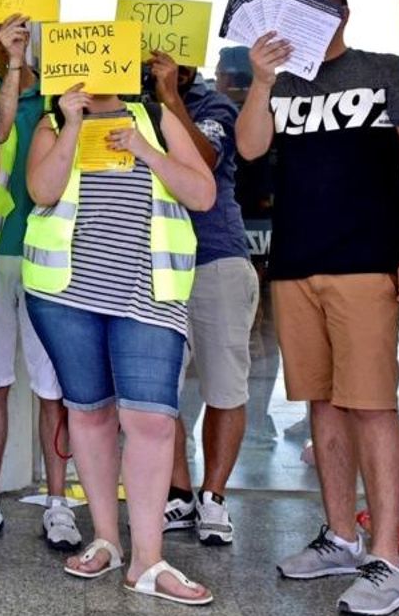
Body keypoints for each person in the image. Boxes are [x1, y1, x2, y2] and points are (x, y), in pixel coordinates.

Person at [238, 0, 399, 615]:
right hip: (296, 266)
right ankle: (342, 538)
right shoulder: (282, 83)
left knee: (372, 404)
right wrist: (262, 81)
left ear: (342, 12)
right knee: (320, 402)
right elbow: (249, 147)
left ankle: (387, 558)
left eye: (315, 5)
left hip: (364, 264)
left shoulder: (386, 69)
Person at [23, 81, 215, 605]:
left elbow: (202, 194)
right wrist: (72, 124)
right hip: (67, 291)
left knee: (151, 418)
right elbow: (41, 191)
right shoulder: (54, 119)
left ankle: (148, 560)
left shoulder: (154, 115)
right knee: (88, 412)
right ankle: (107, 537)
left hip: (148, 291)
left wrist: (142, 148)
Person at [0, 16, 78, 551]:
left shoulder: (64, 96)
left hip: (51, 260)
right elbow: (1, 133)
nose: (8, 36)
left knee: (52, 388)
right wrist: (13, 69)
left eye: (17, 28)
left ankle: (59, 504)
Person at [144, 52, 258, 546]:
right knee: (156, 388)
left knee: (225, 385)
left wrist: (171, 99)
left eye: (177, 64)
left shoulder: (215, 106)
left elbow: (205, 162)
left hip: (215, 259)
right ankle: (178, 491)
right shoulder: (133, 108)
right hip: (153, 263)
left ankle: (214, 495)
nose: (166, 68)